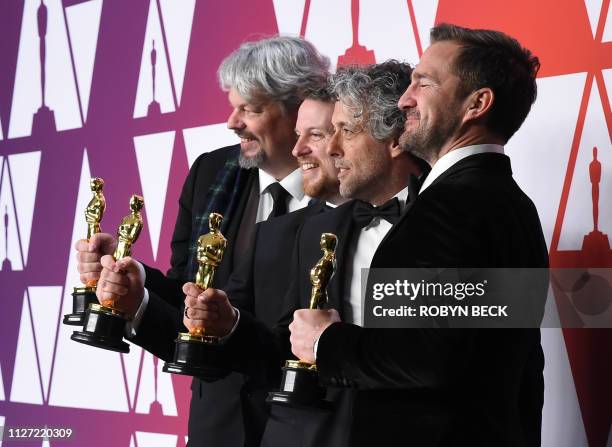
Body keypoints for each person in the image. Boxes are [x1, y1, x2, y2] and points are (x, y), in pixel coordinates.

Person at [290, 24, 548, 446]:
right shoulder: (512, 204)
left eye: (424, 84)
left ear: (478, 104)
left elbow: (431, 355)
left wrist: (326, 342)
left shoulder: (453, 206)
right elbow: (511, 367)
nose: (405, 99)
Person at [75, 36, 329, 447]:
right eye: (234, 106)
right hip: (218, 422)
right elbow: (187, 294)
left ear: (299, 110)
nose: (233, 122)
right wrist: (130, 277)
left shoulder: (349, 185)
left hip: (311, 426)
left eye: (250, 109)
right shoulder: (212, 173)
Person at [189, 60, 425, 447]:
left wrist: (331, 343)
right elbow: (285, 348)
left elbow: (459, 350)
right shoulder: (315, 229)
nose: (332, 149)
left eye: (344, 131)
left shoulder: (450, 219)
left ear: (395, 140)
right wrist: (229, 323)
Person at [180, 85, 347, 445]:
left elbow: (450, 346)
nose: (300, 148)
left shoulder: (422, 218)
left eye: (316, 135)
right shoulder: (277, 233)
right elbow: (259, 341)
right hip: (244, 424)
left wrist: (336, 346)